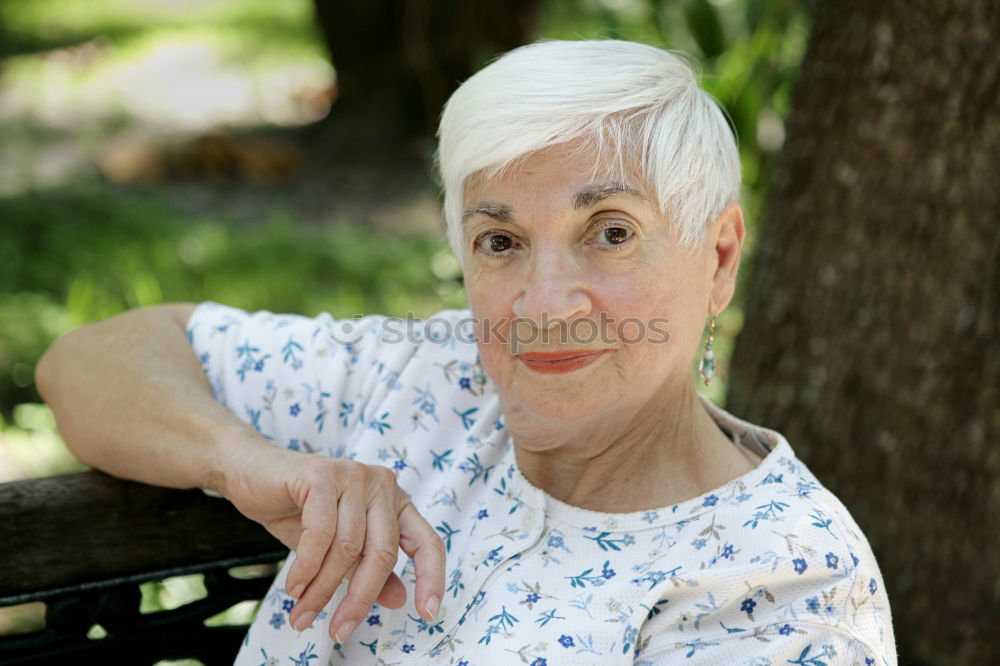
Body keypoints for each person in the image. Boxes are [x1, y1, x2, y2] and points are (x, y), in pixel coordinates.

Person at [36, 40, 896, 665]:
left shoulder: (783, 588)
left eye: (610, 232)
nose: (544, 305)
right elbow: (90, 360)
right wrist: (242, 461)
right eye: (500, 241)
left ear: (716, 258)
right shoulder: (430, 380)